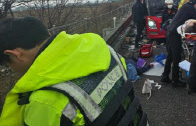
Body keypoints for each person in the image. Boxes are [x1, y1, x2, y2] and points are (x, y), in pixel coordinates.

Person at [0, 17, 147, 126]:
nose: (12, 69)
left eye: (8, 64)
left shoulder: (45, 101)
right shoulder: (106, 51)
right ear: (48, 35)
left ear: (14, 54)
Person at [161, 0, 196, 87]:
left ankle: (165, 76)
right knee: (177, 57)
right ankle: (175, 80)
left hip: (169, 32)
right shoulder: (191, 9)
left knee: (170, 55)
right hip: (174, 34)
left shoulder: (185, 7)